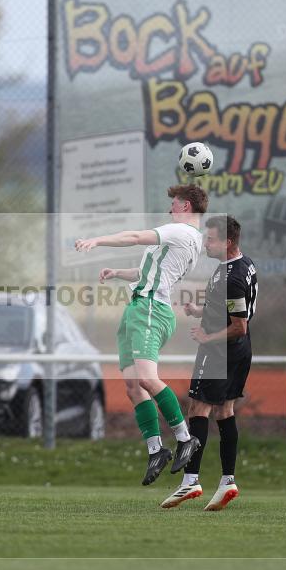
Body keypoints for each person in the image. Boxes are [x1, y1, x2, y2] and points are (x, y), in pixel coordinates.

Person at [74, 185, 206, 485]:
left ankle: (186, 438)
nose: (170, 209)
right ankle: (156, 449)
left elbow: (135, 237)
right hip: (138, 308)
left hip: (151, 309)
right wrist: (118, 273)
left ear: (186, 206)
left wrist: (97, 240)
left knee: (147, 378)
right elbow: (150, 269)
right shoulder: (185, 238)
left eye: (174, 204)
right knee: (134, 385)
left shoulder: (182, 232)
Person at [161, 215, 257, 511]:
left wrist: (207, 336)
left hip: (221, 350)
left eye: (211, 239)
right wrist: (199, 310)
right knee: (224, 411)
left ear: (228, 242)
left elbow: (238, 325)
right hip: (239, 350)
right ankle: (227, 481)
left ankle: (191, 480)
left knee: (198, 409)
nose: (205, 243)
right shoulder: (239, 265)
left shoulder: (233, 277)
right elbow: (229, 311)